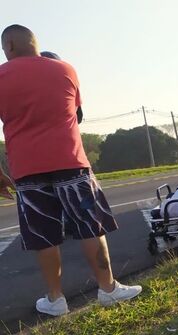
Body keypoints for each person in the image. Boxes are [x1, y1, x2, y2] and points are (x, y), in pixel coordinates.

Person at [0, 25, 142, 316]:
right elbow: (75, 115)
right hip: (71, 163)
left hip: (27, 170)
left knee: (44, 235)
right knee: (90, 226)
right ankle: (108, 288)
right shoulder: (66, 70)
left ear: (10, 46)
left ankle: (55, 299)